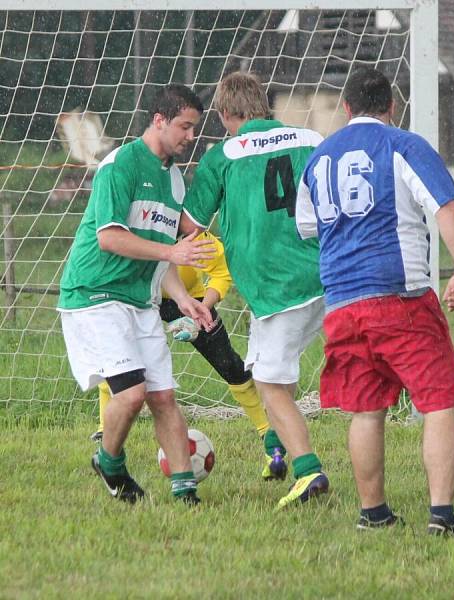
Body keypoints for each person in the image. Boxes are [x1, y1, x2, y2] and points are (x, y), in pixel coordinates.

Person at [295, 68, 454, 535]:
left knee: (366, 407)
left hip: (341, 303)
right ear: (392, 107)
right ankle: (441, 515)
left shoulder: (317, 159)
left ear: (347, 108)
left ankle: (373, 513)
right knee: (437, 400)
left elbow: (308, 227)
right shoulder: (402, 145)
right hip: (399, 295)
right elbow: (446, 206)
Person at [58, 84, 216, 505]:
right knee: (131, 394)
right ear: (159, 120)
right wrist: (173, 251)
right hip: (94, 294)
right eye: (184, 126)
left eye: (194, 129)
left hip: (138, 300)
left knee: (163, 396)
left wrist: (183, 299)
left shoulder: (176, 182)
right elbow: (110, 237)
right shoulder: (120, 164)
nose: (189, 136)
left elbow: (161, 255)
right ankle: (109, 462)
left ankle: (185, 492)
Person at [181, 71, 329, 510]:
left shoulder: (222, 155)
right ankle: (279, 451)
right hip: (326, 273)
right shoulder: (310, 138)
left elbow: (189, 227)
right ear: (263, 105)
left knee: (269, 382)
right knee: (280, 371)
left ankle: (308, 470)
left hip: (278, 287)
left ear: (226, 114)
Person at [90, 230, 287, 480]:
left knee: (229, 365)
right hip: (135, 297)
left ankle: (268, 435)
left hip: (188, 300)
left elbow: (221, 271)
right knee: (120, 361)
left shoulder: (196, 236)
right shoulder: (137, 228)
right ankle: (104, 430)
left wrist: (204, 305)